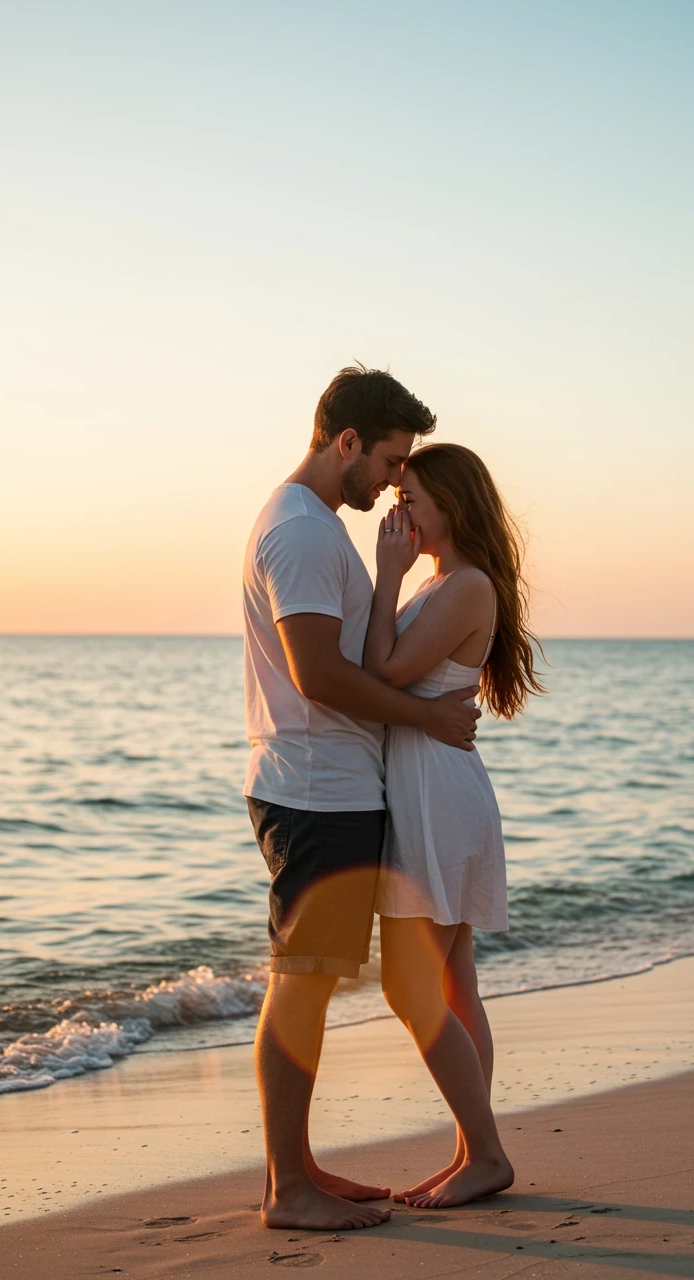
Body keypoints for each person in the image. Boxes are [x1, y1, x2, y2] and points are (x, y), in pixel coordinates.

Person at [243, 366, 483, 1232]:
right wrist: (424, 716)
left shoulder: (315, 526)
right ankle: (287, 1191)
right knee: (301, 983)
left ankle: (296, 1168)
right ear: (346, 442)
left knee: (309, 979)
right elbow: (319, 675)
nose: (392, 481)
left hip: (333, 789)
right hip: (315, 792)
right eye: (387, 460)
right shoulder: (303, 533)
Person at [363, 442, 547, 1209]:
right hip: (433, 789)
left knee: (414, 987)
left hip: (439, 797)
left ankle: (488, 1154)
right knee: (453, 982)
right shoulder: (449, 583)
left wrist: (386, 577)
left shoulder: (465, 588)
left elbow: (382, 670)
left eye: (412, 502)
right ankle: (474, 1150)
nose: (397, 514)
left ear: (453, 507)